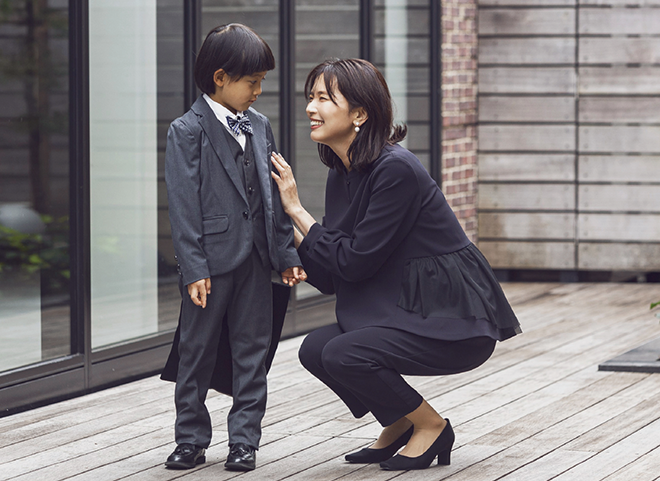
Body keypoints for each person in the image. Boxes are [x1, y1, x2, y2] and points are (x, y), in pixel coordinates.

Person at [270, 58, 521, 471]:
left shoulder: (396, 170)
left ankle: (432, 426)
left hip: (449, 318)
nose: (311, 108)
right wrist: (289, 226)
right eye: (309, 98)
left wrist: (297, 211)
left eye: (323, 99)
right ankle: (401, 422)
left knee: (345, 353)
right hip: (400, 309)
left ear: (360, 113)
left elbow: (353, 262)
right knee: (316, 349)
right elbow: (334, 275)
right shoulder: (342, 171)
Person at [161, 24, 304, 472]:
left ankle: (244, 441)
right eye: (252, 82)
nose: (259, 91)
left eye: (262, 81)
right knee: (195, 352)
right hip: (211, 264)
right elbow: (183, 206)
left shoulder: (260, 127)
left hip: (258, 262)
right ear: (220, 77)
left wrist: (286, 256)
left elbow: (272, 199)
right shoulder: (186, 130)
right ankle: (190, 439)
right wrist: (192, 267)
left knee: (252, 352)